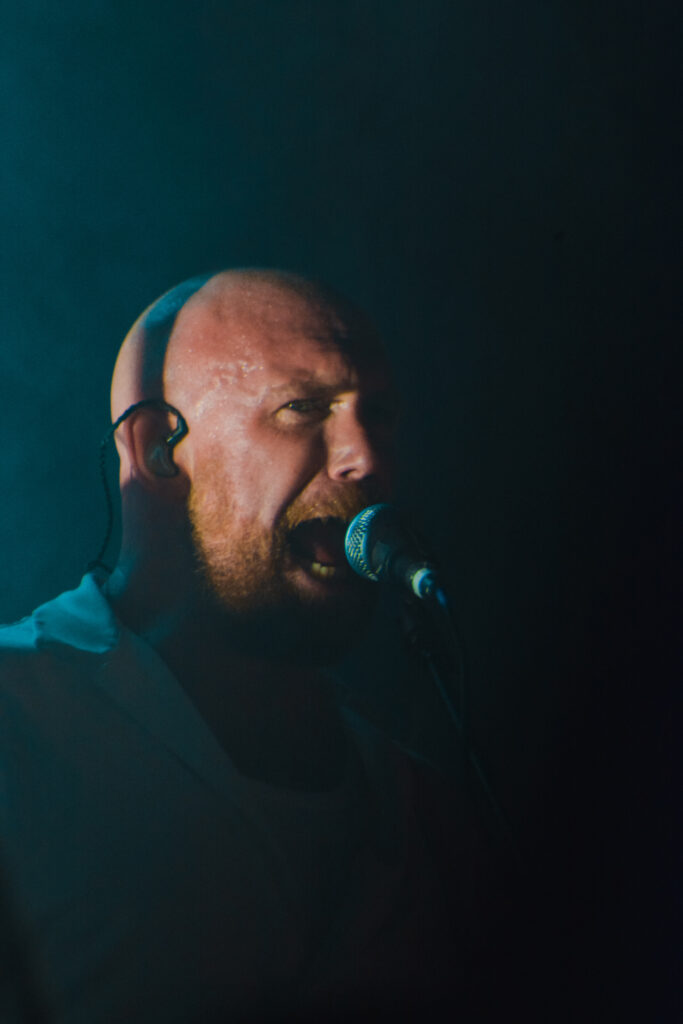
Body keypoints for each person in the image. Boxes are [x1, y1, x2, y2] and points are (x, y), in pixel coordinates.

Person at [0, 270, 507, 1022]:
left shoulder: (424, 810)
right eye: (303, 408)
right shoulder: (19, 718)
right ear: (157, 449)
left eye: (381, 415)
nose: (364, 458)